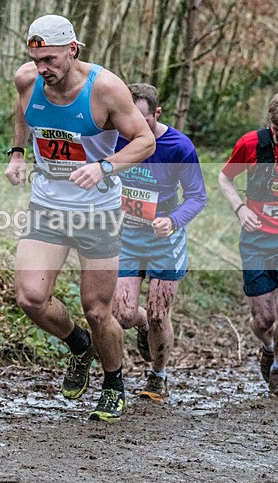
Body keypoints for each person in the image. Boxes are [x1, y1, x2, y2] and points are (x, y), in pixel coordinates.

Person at [5, 15, 155, 421]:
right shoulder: (27, 80)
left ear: (72, 50)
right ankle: (78, 345)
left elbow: (145, 140)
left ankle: (113, 383)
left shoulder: (105, 89)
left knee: (97, 309)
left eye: (50, 60)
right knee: (30, 297)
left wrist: (104, 167)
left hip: (97, 212)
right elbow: (23, 112)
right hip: (48, 206)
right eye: (36, 60)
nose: (42, 69)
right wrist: (17, 153)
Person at [111, 83, 207, 402]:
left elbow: (197, 196)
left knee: (158, 313)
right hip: (127, 234)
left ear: (157, 113)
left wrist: (173, 220)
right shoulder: (115, 138)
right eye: (129, 118)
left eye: (143, 119)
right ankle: (143, 328)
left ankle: (158, 375)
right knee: (124, 314)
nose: (135, 126)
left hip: (164, 237)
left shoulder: (179, 146)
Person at [218, 91, 278, 398]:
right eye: (277, 131)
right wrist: (240, 208)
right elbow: (224, 179)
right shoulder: (251, 144)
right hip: (257, 241)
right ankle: (269, 347)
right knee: (265, 320)